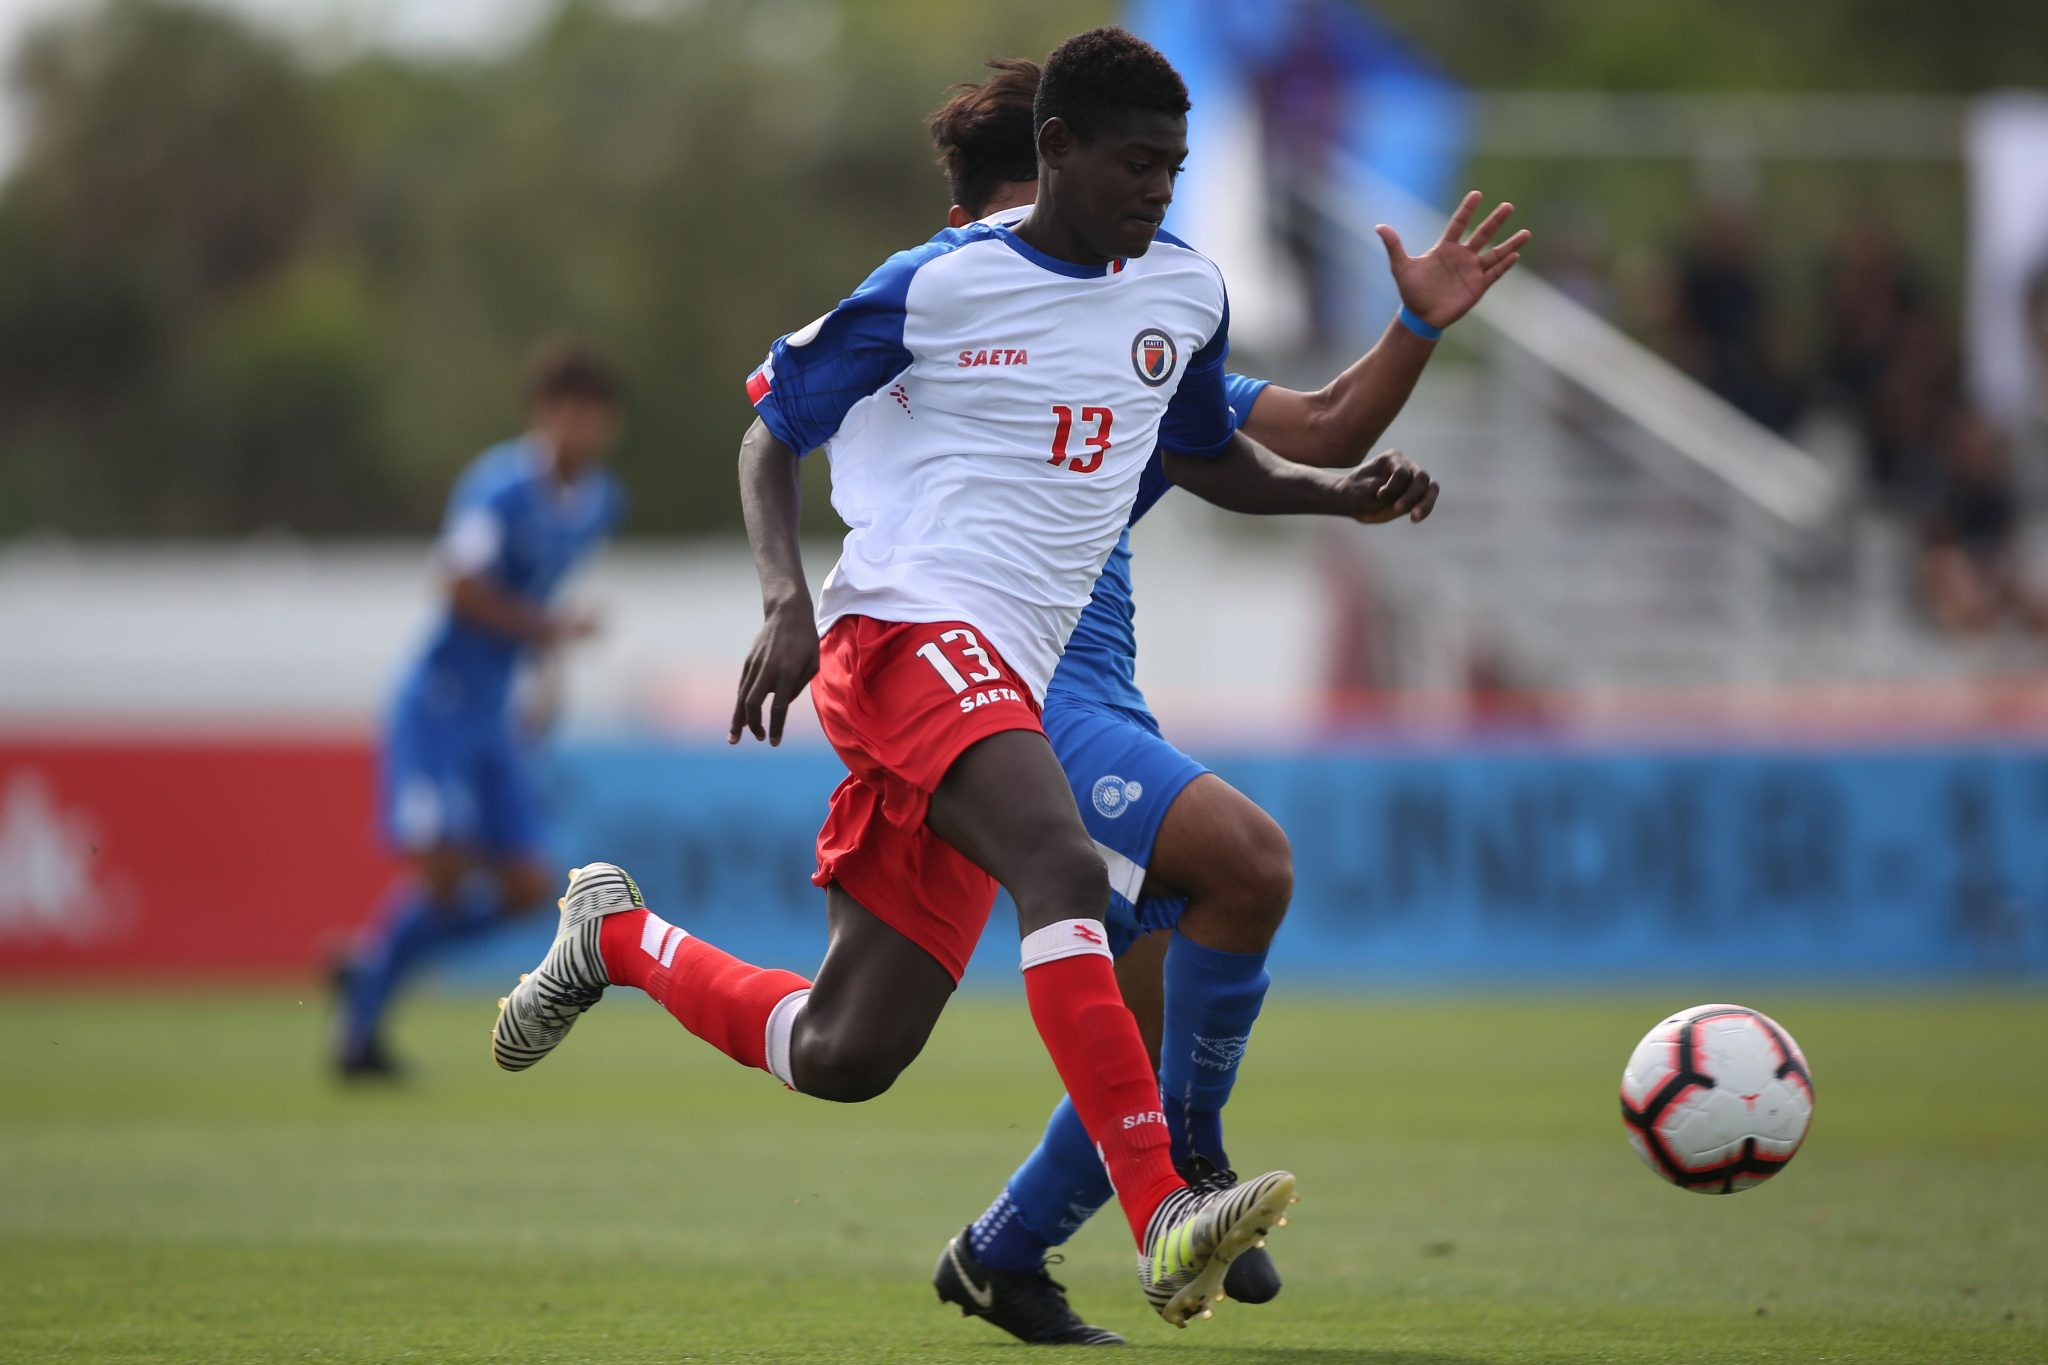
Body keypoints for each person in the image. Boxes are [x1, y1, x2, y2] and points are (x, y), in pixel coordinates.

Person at [491, 27, 1439, 1329]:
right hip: (900, 639)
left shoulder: (1178, 295)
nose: (1160, 188)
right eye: (1136, 163)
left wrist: (1339, 498)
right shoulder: (939, 286)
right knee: (1066, 866)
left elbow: (1213, 452)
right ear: (1055, 154)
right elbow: (770, 430)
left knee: (844, 1052)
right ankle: (1164, 1204)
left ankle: (618, 938)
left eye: (1175, 165)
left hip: (1003, 679)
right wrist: (782, 605)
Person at [918, 58, 1524, 1345]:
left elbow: (1306, 429)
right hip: (1000, 690)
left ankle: (998, 1258)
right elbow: (803, 425)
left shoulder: (1129, 323)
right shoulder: (947, 326)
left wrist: (1410, 328)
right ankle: (1192, 1157)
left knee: (1123, 1044)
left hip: (1101, 695)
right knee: (1248, 862)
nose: (1104, 237)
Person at [333, 341, 624, 1079]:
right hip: (439, 703)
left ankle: (369, 965)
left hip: (495, 712)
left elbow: (539, 599)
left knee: (530, 886)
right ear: (542, 415)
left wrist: (546, 674)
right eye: (567, 413)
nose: (579, 430)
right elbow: (456, 584)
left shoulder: (597, 503)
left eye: (592, 416)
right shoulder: (498, 487)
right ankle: (360, 1032)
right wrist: (550, 633)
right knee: (445, 875)